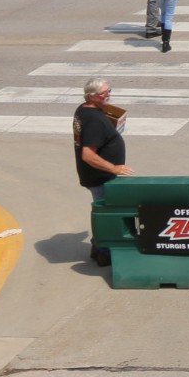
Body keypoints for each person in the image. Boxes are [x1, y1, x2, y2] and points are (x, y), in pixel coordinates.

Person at [74, 79, 133, 266]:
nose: (108, 95)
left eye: (109, 91)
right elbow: (88, 155)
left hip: (97, 176)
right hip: (101, 177)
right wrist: (114, 168)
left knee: (102, 211)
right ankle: (104, 252)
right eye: (104, 93)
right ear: (91, 96)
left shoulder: (84, 109)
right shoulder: (94, 121)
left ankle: (98, 247)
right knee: (106, 214)